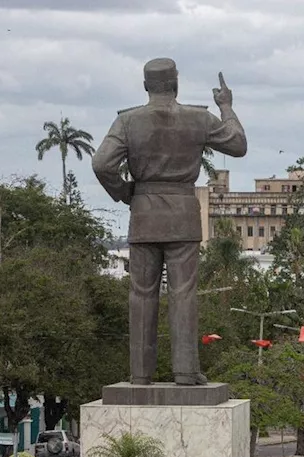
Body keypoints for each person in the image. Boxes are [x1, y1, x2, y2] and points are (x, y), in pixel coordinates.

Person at [92, 59, 248, 385]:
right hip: (182, 215)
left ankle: (140, 375)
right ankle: (186, 372)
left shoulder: (127, 121)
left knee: (141, 294)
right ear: (175, 83)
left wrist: (125, 192)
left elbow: (102, 163)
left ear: (146, 85)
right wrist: (227, 107)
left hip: (144, 213)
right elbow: (237, 144)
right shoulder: (198, 119)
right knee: (184, 293)